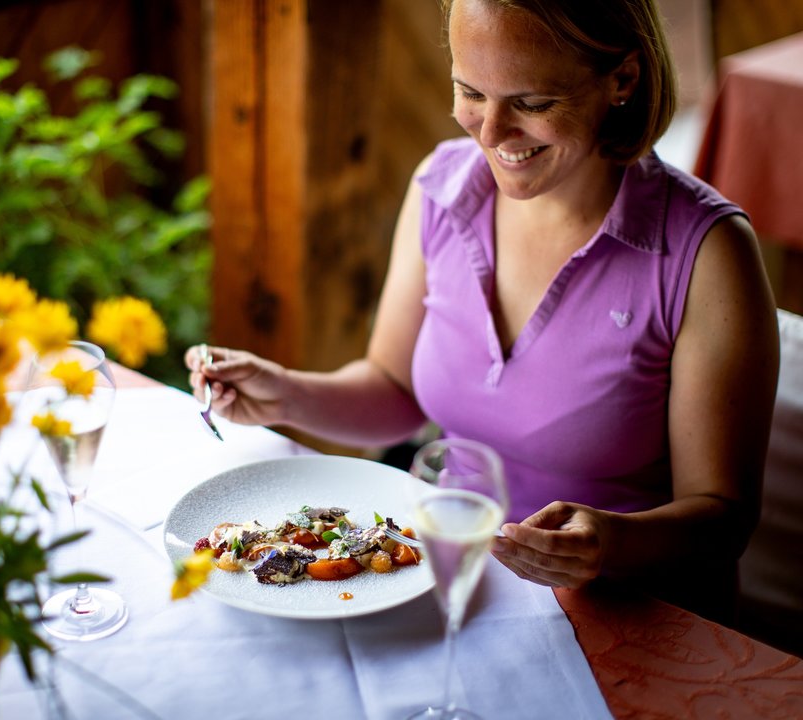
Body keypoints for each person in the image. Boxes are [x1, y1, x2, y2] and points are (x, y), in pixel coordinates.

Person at [186, 0, 779, 623]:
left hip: (632, 612)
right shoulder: (442, 189)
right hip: (456, 581)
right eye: (471, 91)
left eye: (531, 103)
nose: (490, 134)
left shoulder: (707, 252)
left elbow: (723, 520)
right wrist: (284, 395)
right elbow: (394, 390)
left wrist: (612, 545)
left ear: (623, 80)